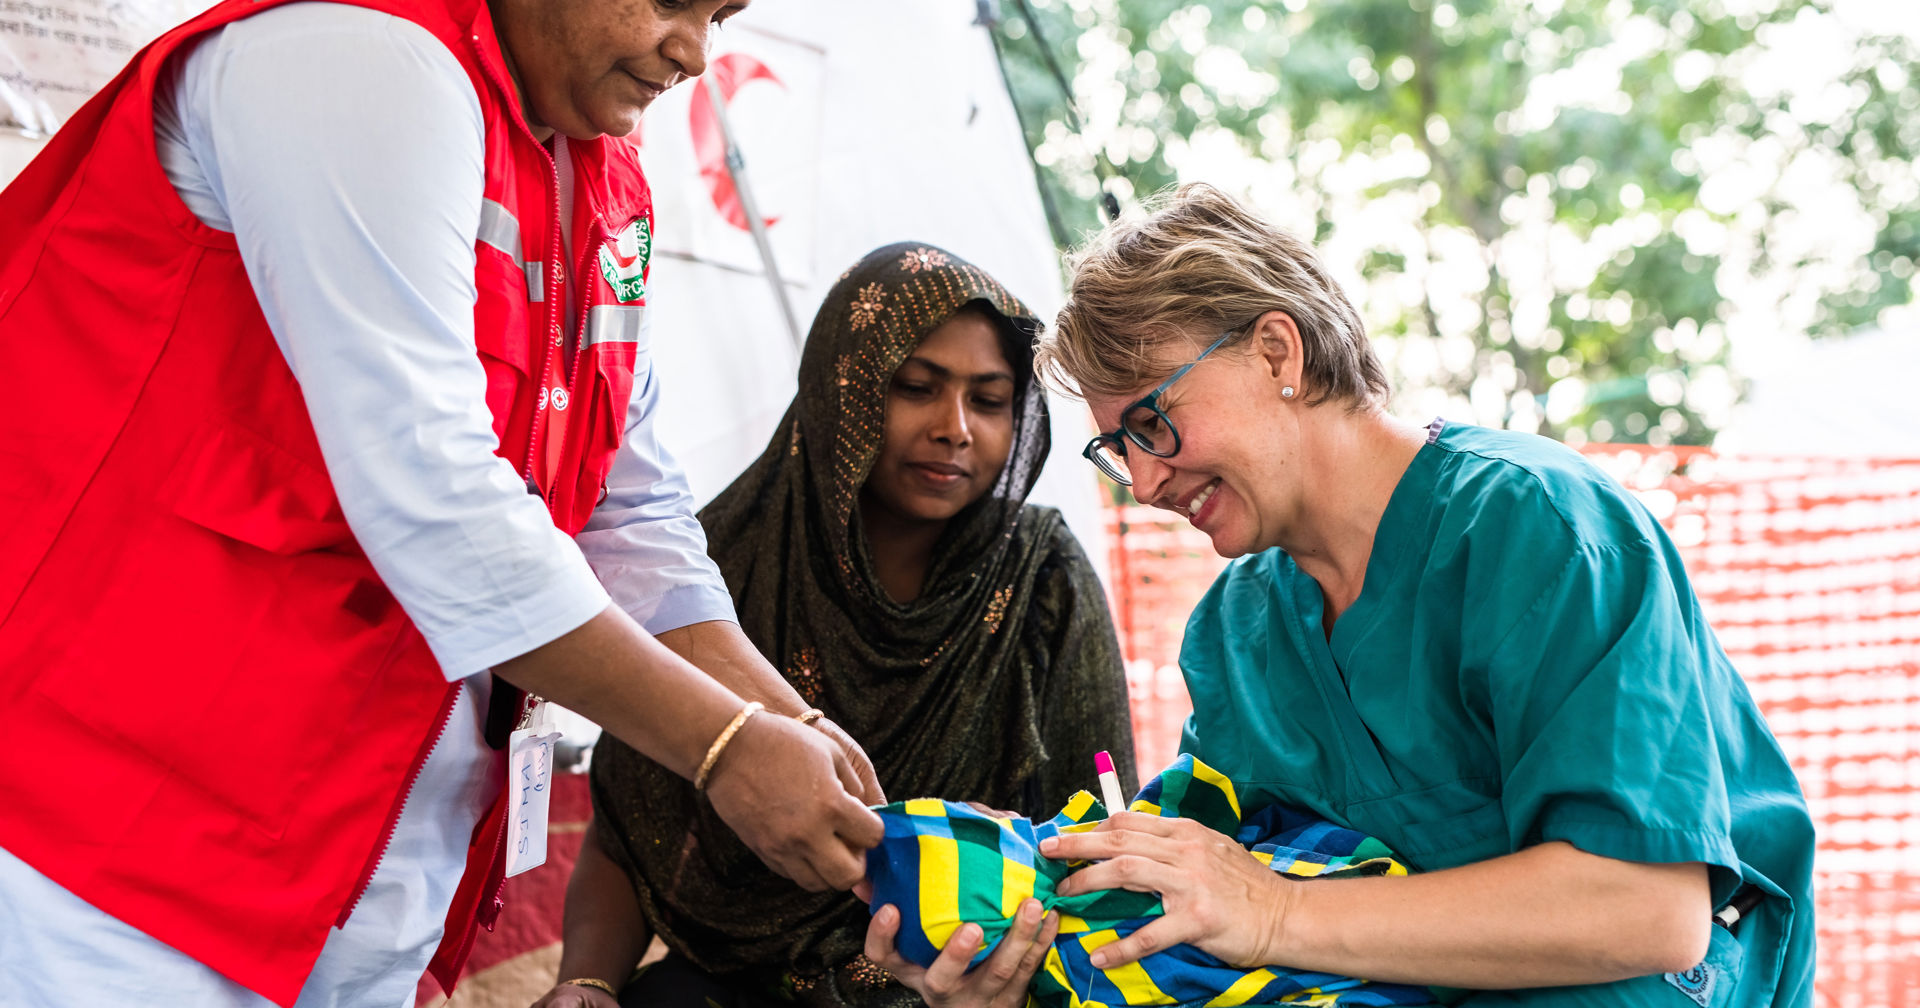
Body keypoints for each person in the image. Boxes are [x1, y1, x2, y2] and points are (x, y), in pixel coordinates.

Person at [0, 1, 885, 1006]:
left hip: (351, 873)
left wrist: (785, 719)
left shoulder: (603, 175)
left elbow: (624, 513)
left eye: (721, 13)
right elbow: (437, 495)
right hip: (104, 861)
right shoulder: (356, 57)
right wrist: (723, 748)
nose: (695, 51)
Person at [1028, 184, 1815, 1007]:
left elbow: (1648, 911)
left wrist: (1277, 910)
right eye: (1117, 450)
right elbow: (1205, 913)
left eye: (1153, 421)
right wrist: (1008, 948)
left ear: (1276, 354)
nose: (1146, 481)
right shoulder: (1236, 633)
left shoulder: (1535, 526)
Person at [531, 243, 1138, 1008]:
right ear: (838, 392)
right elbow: (630, 822)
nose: (955, 428)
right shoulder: (717, 568)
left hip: (957, 987)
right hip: (726, 985)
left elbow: (1102, 831)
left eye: (989, 401)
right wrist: (584, 984)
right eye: (915, 387)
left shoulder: (1041, 579)